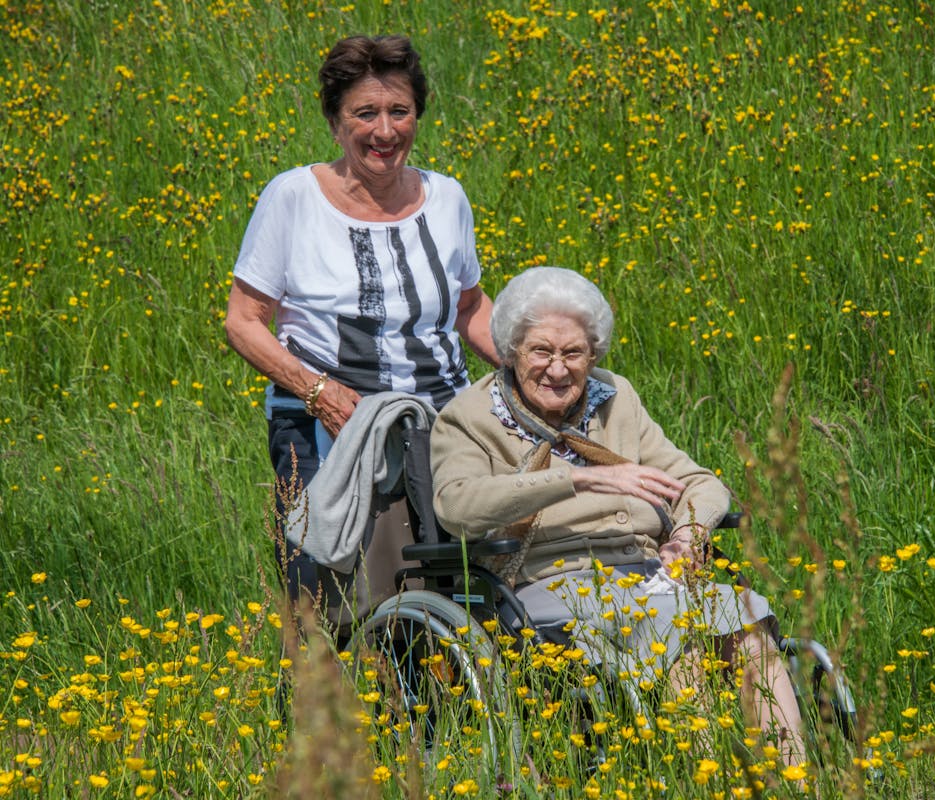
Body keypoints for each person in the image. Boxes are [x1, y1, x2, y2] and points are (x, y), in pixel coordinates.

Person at [430, 267, 807, 767]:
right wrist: (578, 479)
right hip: (549, 585)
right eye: (541, 351)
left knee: (748, 629)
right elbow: (457, 506)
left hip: (647, 575)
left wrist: (688, 534)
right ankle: (709, 780)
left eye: (573, 353)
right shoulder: (470, 415)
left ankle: (795, 780)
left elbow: (700, 482)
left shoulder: (615, 397)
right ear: (511, 349)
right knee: (683, 642)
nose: (557, 369)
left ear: (593, 354)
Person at [225, 34, 498, 603]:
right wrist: (317, 391)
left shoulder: (447, 198)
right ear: (334, 121)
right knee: (329, 600)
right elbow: (244, 321)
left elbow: (469, 307)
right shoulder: (293, 198)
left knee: (461, 588)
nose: (385, 131)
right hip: (329, 422)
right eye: (365, 113)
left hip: (443, 421)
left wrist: (538, 368)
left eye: (400, 111)